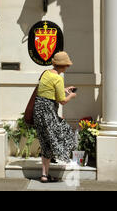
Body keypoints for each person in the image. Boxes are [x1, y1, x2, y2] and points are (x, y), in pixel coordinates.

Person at [33, 51, 77, 183]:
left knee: (45, 142)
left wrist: (64, 89)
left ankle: (44, 175)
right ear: (63, 66)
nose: (67, 68)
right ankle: (61, 156)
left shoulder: (46, 73)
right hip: (48, 113)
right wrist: (71, 95)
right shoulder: (58, 78)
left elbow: (49, 90)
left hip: (38, 113)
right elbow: (62, 101)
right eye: (66, 66)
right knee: (67, 133)